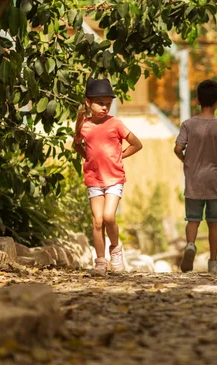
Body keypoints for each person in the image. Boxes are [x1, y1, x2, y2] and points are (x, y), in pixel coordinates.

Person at [73, 78, 143, 276]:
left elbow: (136, 144)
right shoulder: (83, 125)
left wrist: (120, 156)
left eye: (108, 103)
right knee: (97, 221)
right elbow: (76, 144)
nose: (105, 107)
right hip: (94, 178)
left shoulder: (116, 124)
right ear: (88, 102)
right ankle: (100, 262)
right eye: (100, 103)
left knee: (108, 216)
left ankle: (116, 250)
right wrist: (87, 157)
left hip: (114, 178)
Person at [174, 79, 217, 274]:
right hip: (213, 180)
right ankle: (213, 262)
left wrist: (186, 160)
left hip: (193, 179)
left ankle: (191, 244)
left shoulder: (188, 124)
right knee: (213, 221)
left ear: (197, 101)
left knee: (192, 219)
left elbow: (177, 148)